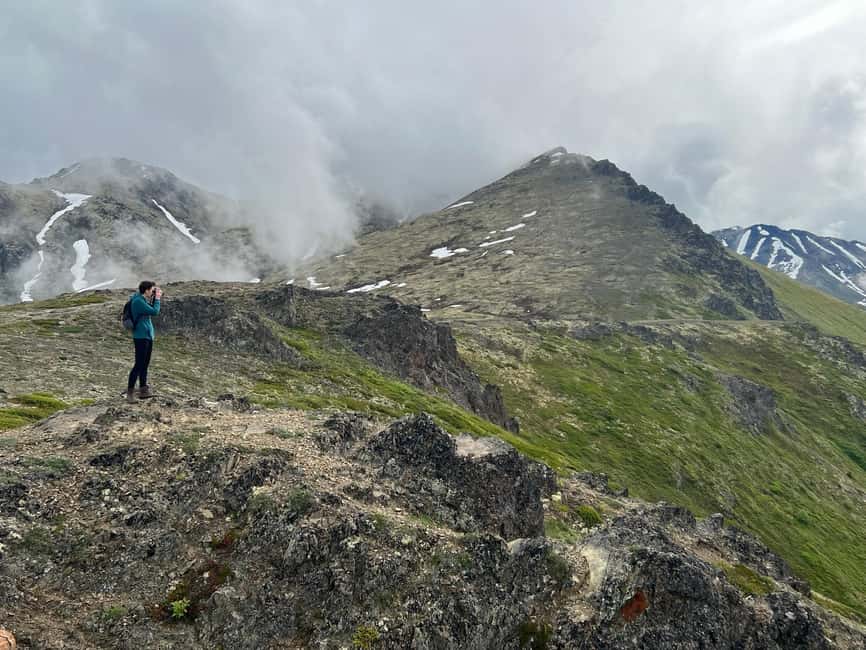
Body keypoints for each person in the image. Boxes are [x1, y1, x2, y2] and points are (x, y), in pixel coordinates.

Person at [126, 280, 162, 402]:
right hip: (141, 336)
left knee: (145, 364)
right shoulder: (137, 302)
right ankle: (130, 392)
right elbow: (155, 311)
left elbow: (150, 311)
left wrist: (153, 298)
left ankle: (143, 389)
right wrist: (157, 299)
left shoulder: (142, 299)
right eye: (152, 290)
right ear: (146, 290)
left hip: (147, 335)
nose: (153, 292)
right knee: (138, 365)